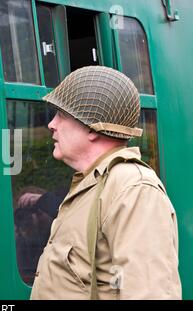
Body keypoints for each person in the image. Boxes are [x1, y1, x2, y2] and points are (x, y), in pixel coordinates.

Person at [31, 66, 182, 299]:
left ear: (91, 128)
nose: (52, 124)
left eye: (61, 115)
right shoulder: (92, 184)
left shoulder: (133, 190)